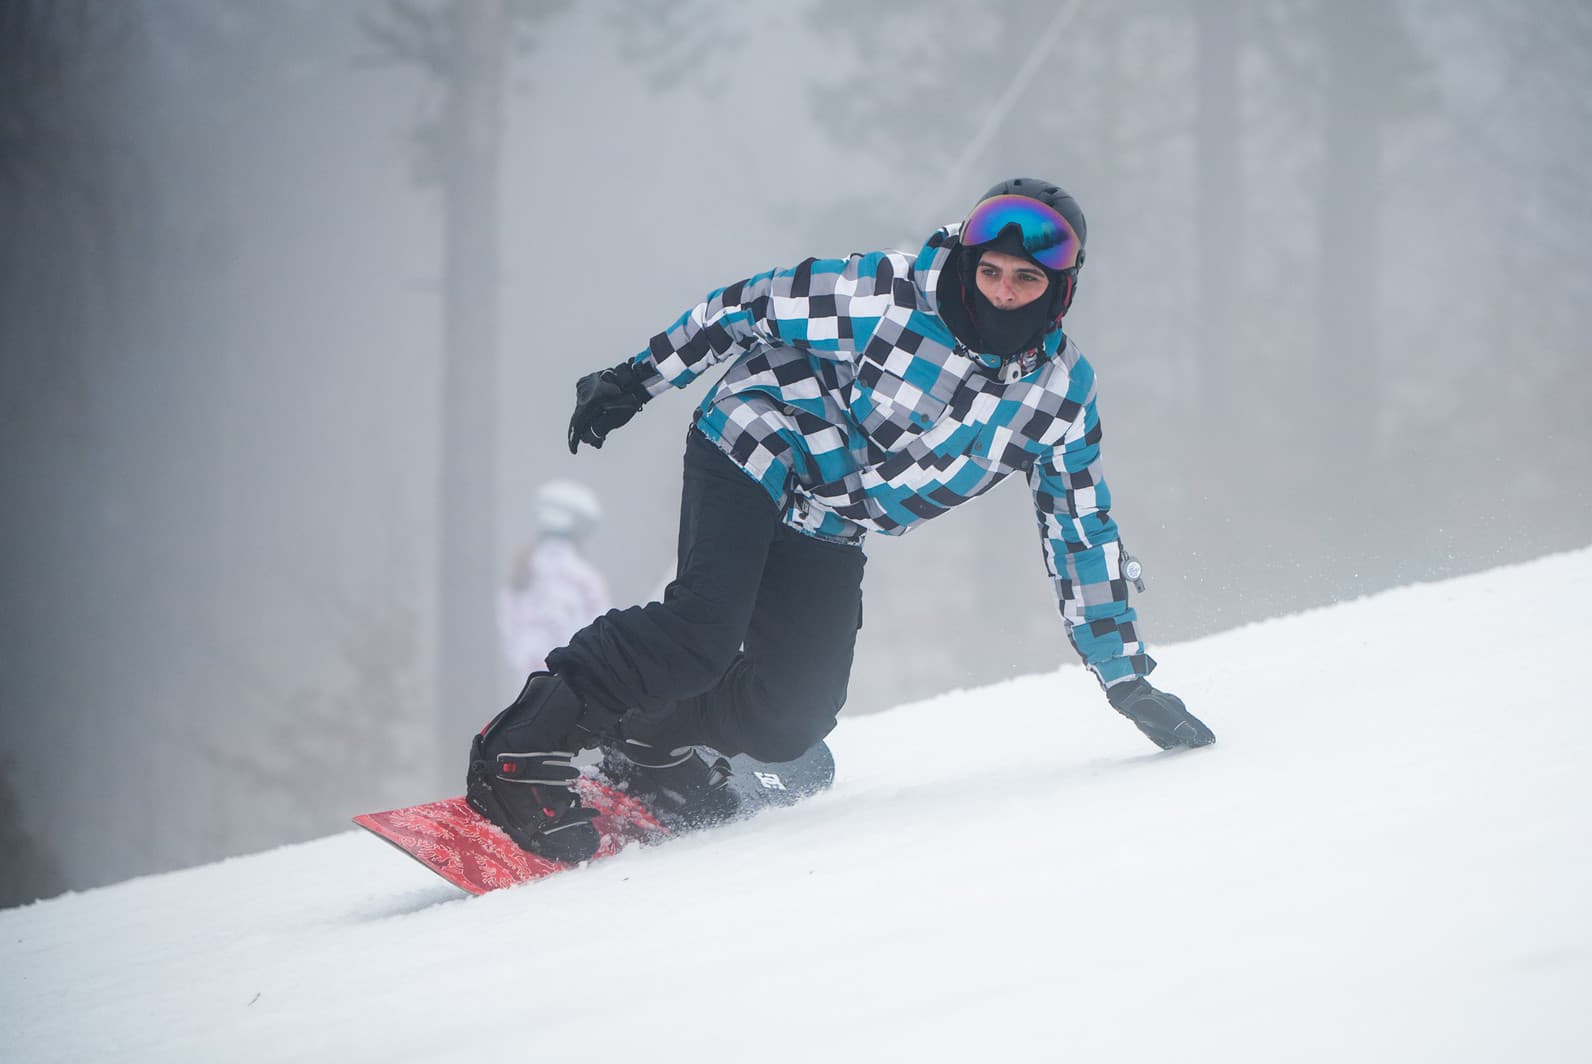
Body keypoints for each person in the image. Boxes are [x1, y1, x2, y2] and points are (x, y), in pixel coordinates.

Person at [468, 177, 1216, 863]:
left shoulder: (1059, 397)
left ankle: (648, 745)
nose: (1002, 293)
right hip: (760, 436)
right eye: (989, 272)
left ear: (1061, 289)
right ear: (967, 260)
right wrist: (637, 379)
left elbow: (1079, 532)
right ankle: (522, 747)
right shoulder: (885, 295)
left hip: (830, 517)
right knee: (702, 629)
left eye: (1026, 280)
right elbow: (744, 308)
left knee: (794, 711)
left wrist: (1126, 681)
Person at [496, 479, 612, 681]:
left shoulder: (520, 573)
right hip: (574, 683)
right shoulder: (585, 579)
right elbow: (602, 630)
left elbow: (507, 625)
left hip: (528, 684)